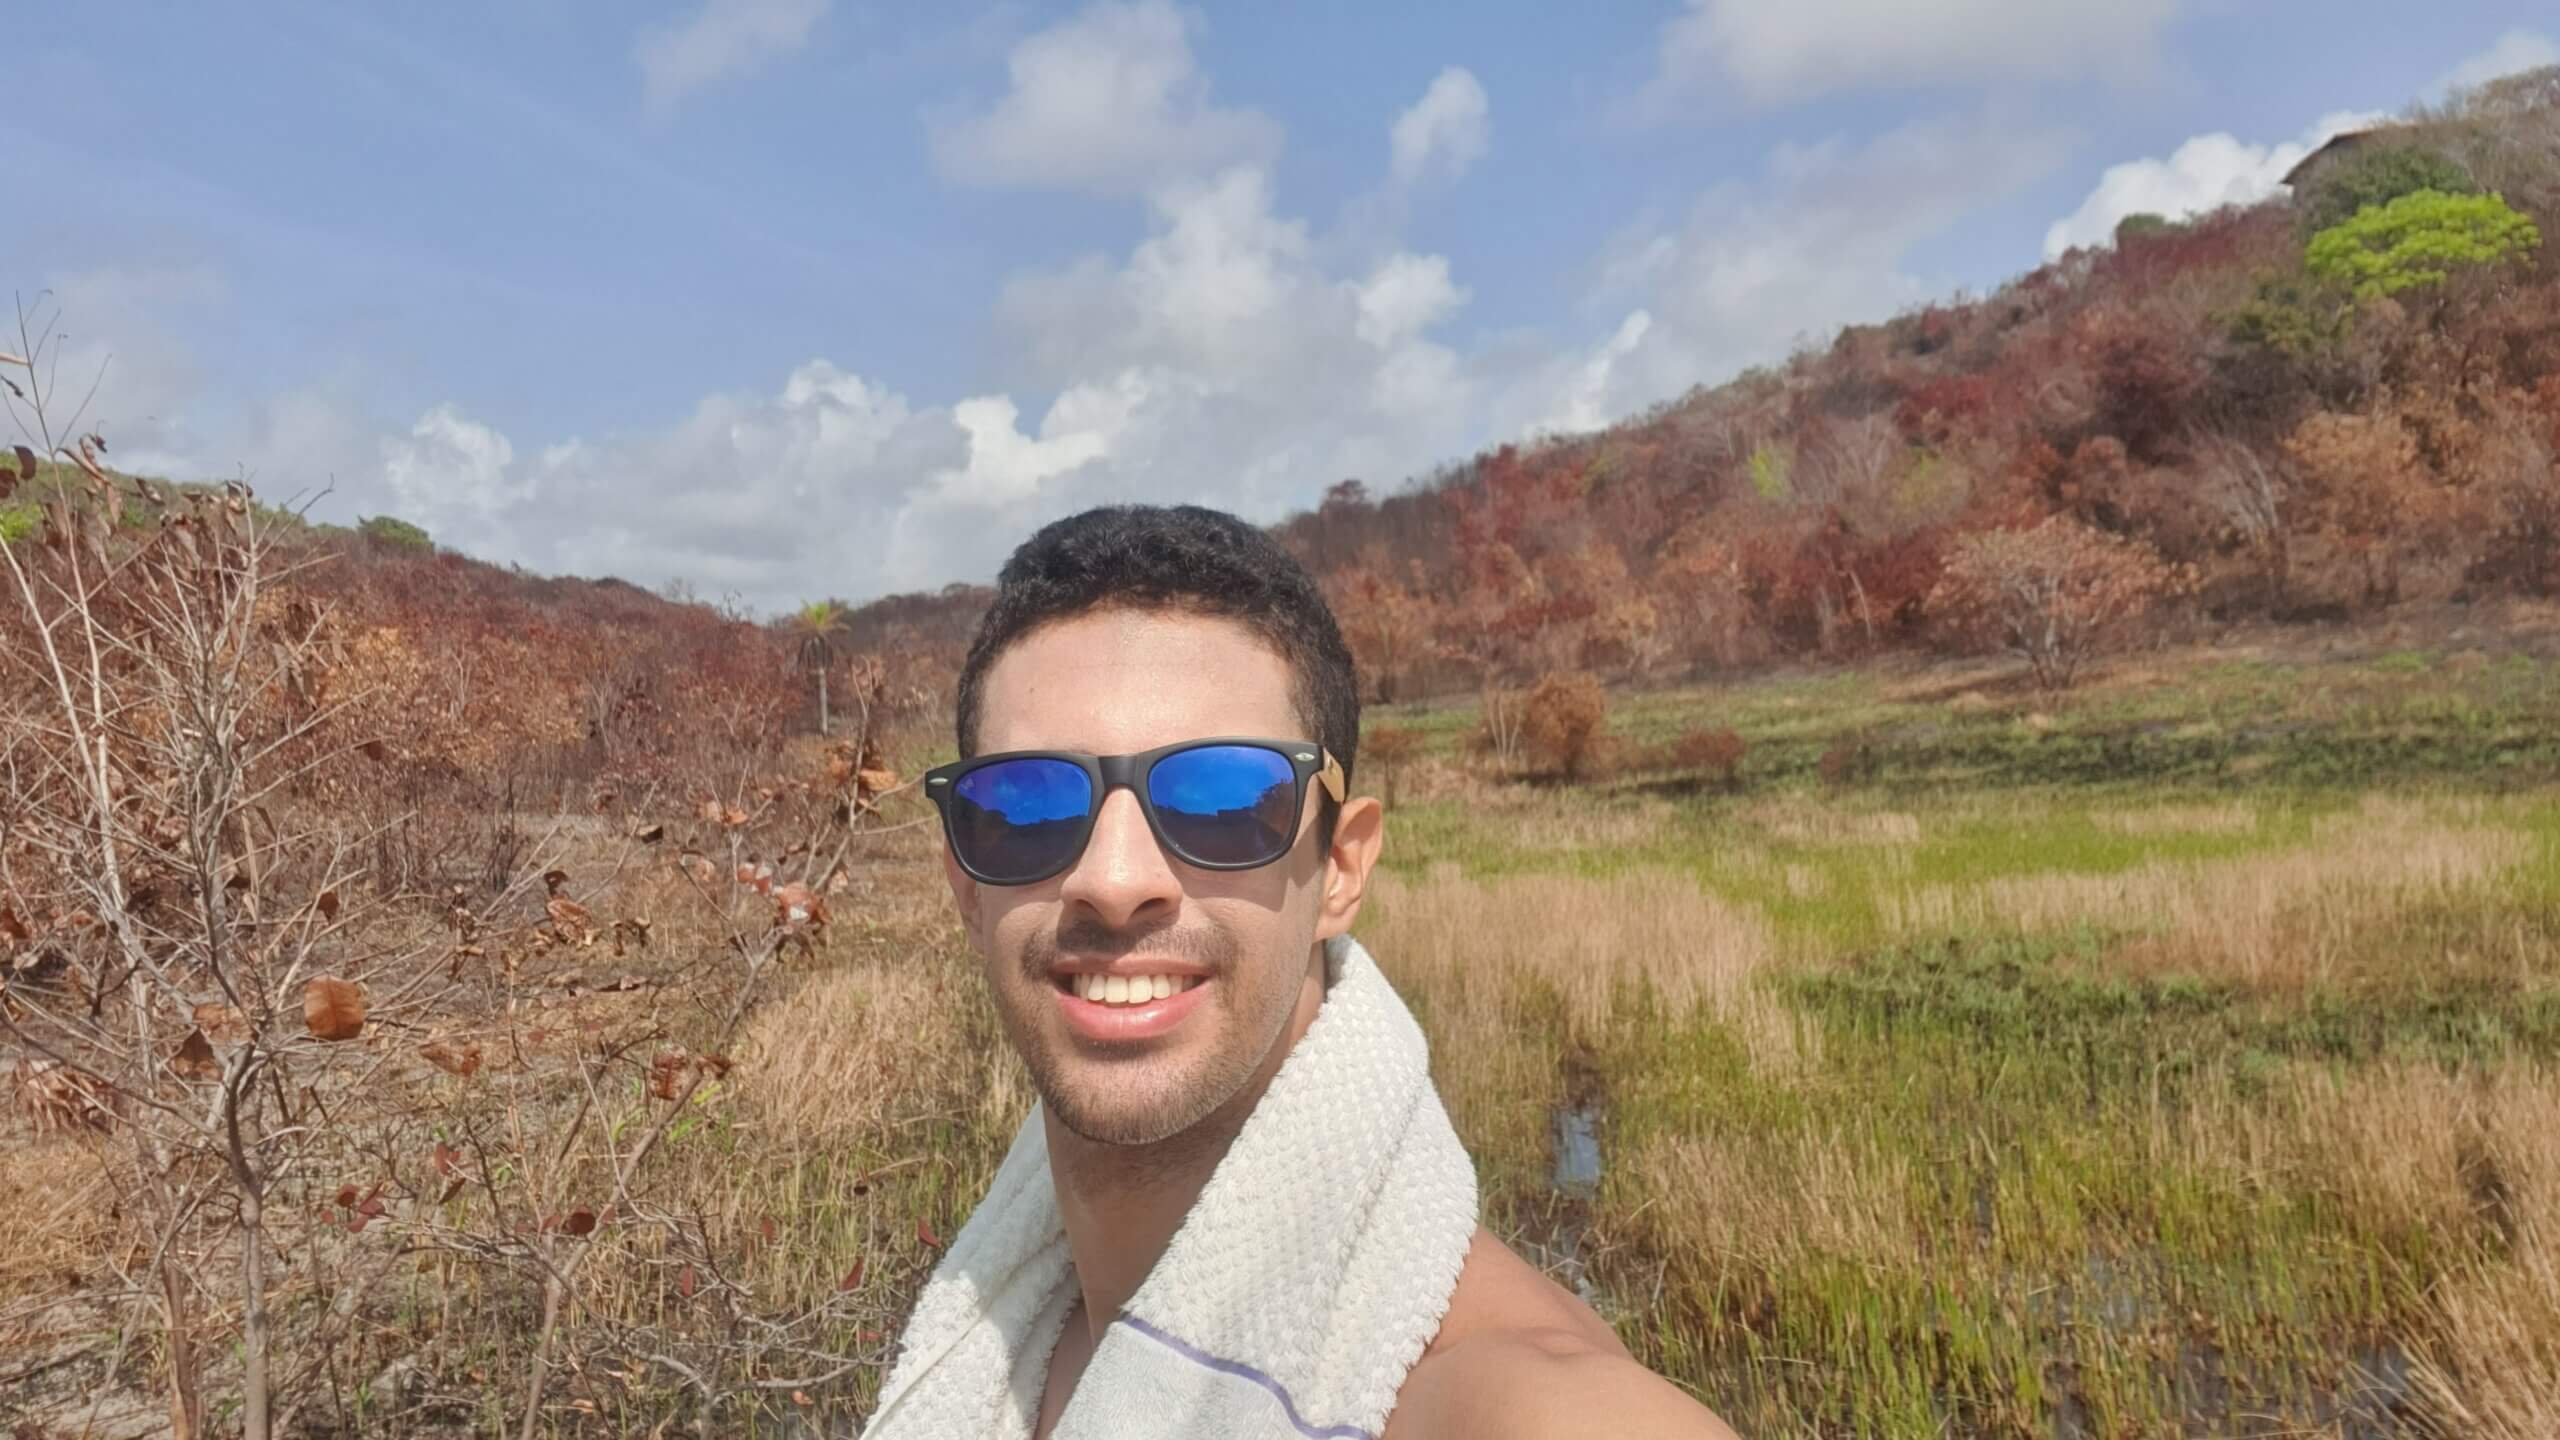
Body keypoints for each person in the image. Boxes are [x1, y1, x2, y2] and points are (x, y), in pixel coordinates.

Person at [862, 505, 1738, 1440]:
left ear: (1341, 870)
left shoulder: (1524, 1405)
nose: (1114, 882)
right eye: (1026, 806)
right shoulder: (1015, 1336)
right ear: (965, 883)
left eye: (1224, 798)